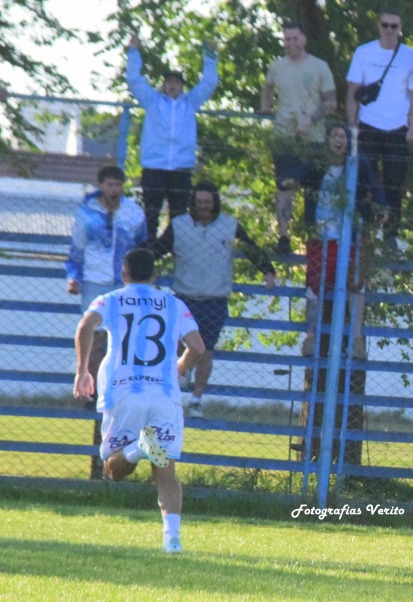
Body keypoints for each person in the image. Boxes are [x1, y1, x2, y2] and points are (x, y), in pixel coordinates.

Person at [73, 248, 205, 554]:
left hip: (124, 392)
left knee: (113, 470)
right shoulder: (174, 303)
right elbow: (196, 347)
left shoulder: (111, 299)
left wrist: (82, 371)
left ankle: (135, 451)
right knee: (166, 472)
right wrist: (178, 370)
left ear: (124, 273)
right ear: (155, 276)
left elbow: (85, 327)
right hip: (163, 395)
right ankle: (172, 540)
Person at [149, 181, 277, 418]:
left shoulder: (229, 226)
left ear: (215, 202)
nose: (203, 206)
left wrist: (268, 270)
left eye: (207, 202)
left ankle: (196, 400)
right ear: (193, 203)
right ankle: (176, 381)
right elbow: (157, 250)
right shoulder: (179, 226)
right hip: (184, 297)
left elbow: (251, 249)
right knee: (172, 343)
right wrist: (142, 269)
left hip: (214, 299)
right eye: (199, 202)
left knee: (205, 351)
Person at [280, 124, 387, 357]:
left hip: (350, 237)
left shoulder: (358, 164)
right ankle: (311, 337)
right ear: (328, 140)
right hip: (321, 238)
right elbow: (295, 176)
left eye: (343, 136)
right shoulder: (318, 165)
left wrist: (382, 207)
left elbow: (376, 187)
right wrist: (289, 181)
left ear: (349, 142)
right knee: (314, 285)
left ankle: (356, 340)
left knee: (356, 286)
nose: (339, 140)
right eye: (335, 135)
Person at [126, 34, 219, 242]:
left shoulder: (190, 102)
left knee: (178, 216)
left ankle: (171, 250)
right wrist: (133, 53)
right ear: (163, 84)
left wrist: (210, 55)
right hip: (154, 167)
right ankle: (149, 249)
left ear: (182, 86)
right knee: (151, 212)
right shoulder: (152, 100)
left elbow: (209, 82)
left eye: (177, 82)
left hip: (180, 169)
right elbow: (134, 80)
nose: (173, 85)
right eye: (169, 81)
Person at [65, 165, 148, 393]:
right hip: (94, 280)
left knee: (125, 336)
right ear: (101, 186)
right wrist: (74, 277)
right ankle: (90, 388)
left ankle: (119, 386)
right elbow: (76, 250)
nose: (114, 189)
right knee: (94, 336)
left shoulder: (134, 213)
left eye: (118, 184)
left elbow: (142, 245)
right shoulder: (86, 214)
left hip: (124, 282)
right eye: (110, 184)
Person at [346, 8, 413, 254]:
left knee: (394, 184)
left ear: (400, 29)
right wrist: (351, 126)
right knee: (363, 182)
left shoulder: (410, 56)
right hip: (367, 126)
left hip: (397, 129)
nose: (389, 30)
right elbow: (352, 93)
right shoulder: (363, 52)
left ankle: (390, 236)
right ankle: (363, 233)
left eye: (394, 26)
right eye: (385, 25)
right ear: (379, 26)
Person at [260, 21, 337, 255]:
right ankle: (283, 238)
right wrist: (265, 108)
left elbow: (331, 103)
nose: (290, 43)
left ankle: (313, 241)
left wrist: (310, 120)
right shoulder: (277, 67)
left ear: (303, 39)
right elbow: (267, 87)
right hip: (284, 138)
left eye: (295, 39)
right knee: (284, 186)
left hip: (313, 140)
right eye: (287, 39)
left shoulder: (319, 67)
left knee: (312, 190)